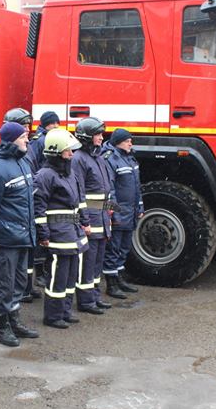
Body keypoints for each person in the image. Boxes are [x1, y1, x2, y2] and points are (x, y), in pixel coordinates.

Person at [0, 121, 41, 346]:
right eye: (23, 137)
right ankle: (3, 327)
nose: (27, 141)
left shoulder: (21, 161)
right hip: (6, 237)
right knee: (5, 282)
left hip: (22, 235)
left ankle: (14, 320)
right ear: (12, 140)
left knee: (19, 281)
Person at [33, 129, 88, 328]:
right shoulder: (45, 176)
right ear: (56, 152)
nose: (71, 155)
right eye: (68, 151)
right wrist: (44, 234)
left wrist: (84, 221)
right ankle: (53, 316)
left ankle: (65, 310)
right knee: (58, 276)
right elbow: (38, 209)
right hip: (57, 234)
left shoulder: (69, 173)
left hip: (72, 232)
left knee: (70, 274)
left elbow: (80, 200)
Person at [71, 117, 113, 315]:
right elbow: (78, 192)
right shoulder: (79, 159)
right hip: (90, 221)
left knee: (97, 262)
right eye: (97, 134)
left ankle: (94, 296)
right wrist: (83, 221)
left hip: (102, 219)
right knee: (87, 263)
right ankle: (86, 301)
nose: (101, 137)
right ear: (87, 137)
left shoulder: (98, 157)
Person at [102, 128, 144, 300]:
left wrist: (139, 207)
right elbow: (110, 190)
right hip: (120, 213)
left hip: (131, 212)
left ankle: (120, 279)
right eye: (128, 141)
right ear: (119, 141)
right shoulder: (111, 159)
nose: (130, 143)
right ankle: (111, 284)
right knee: (114, 249)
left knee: (124, 248)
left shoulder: (129, 158)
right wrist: (115, 214)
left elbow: (136, 187)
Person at [4, 107, 40, 301]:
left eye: (28, 125)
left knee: (28, 253)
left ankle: (27, 285)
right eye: (23, 126)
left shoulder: (29, 147)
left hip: (28, 205)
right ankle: (21, 289)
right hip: (15, 214)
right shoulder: (6, 158)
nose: (27, 130)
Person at [27, 111, 61, 288]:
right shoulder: (41, 141)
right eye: (53, 123)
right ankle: (39, 272)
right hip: (44, 190)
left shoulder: (45, 138)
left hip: (47, 189)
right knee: (42, 233)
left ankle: (42, 271)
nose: (56, 126)